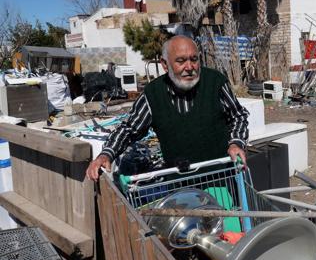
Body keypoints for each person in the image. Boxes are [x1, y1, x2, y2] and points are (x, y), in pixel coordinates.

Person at [86, 35, 249, 181]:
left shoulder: (215, 83)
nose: (190, 67)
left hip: (223, 176)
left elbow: (238, 116)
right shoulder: (153, 94)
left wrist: (236, 143)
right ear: (165, 64)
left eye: (194, 59)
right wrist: (106, 154)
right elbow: (129, 129)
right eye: (181, 61)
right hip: (180, 183)